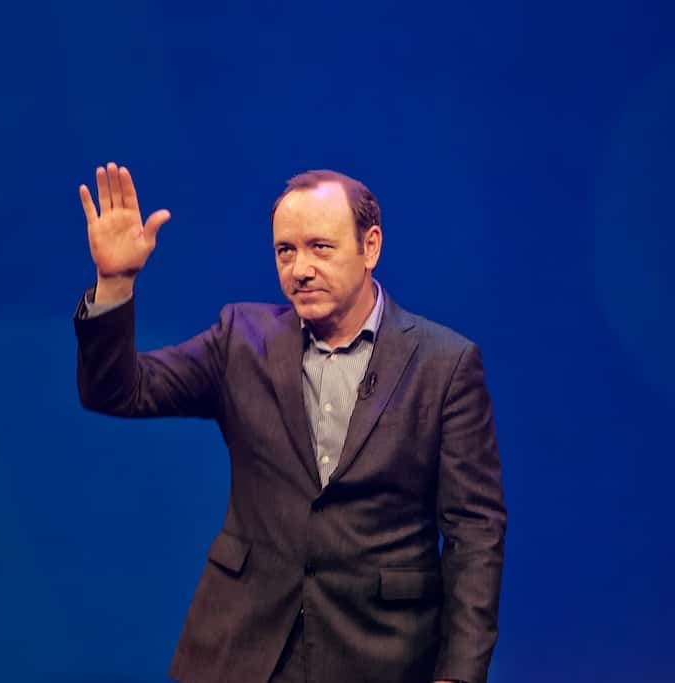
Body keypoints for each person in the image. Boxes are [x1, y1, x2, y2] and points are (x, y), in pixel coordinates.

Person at [73, 162, 506, 683]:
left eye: (320, 247)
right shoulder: (240, 340)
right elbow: (119, 391)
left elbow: (474, 534)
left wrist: (458, 674)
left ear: (371, 247)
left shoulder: (444, 363)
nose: (299, 268)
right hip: (239, 650)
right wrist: (115, 284)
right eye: (285, 251)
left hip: (381, 654)